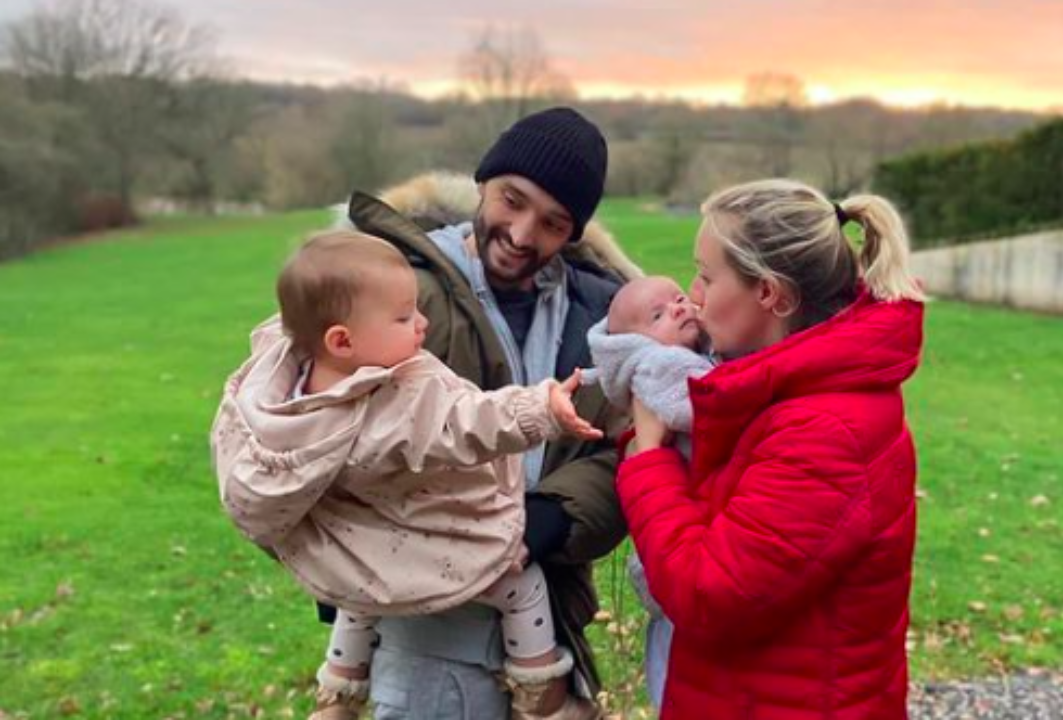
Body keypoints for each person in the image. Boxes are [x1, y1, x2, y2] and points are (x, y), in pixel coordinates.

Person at [212, 231, 606, 720]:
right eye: (404, 317)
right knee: (519, 583)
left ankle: (338, 693)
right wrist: (541, 409)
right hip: (430, 545)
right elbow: (468, 421)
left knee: (358, 594)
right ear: (342, 340)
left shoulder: (283, 392)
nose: (422, 323)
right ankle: (543, 696)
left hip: (355, 551)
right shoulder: (391, 409)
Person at [340, 107, 635, 719]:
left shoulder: (602, 317)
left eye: (553, 223)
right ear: (482, 182)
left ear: (573, 233)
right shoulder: (398, 294)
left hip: (549, 621)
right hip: (428, 639)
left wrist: (553, 517)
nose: (523, 235)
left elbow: (623, 449)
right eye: (512, 200)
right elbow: (327, 433)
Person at [617, 179, 926, 719]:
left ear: (771, 294)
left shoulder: (824, 434)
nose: (694, 294)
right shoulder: (780, 389)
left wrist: (648, 461)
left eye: (707, 276)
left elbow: (707, 595)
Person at [582, 275, 715, 709]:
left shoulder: (687, 353)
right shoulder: (658, 365)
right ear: (632, 343)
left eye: (679, 299)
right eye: (658, 315)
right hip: (679, 523)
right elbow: (703, 404)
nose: (678, 308)